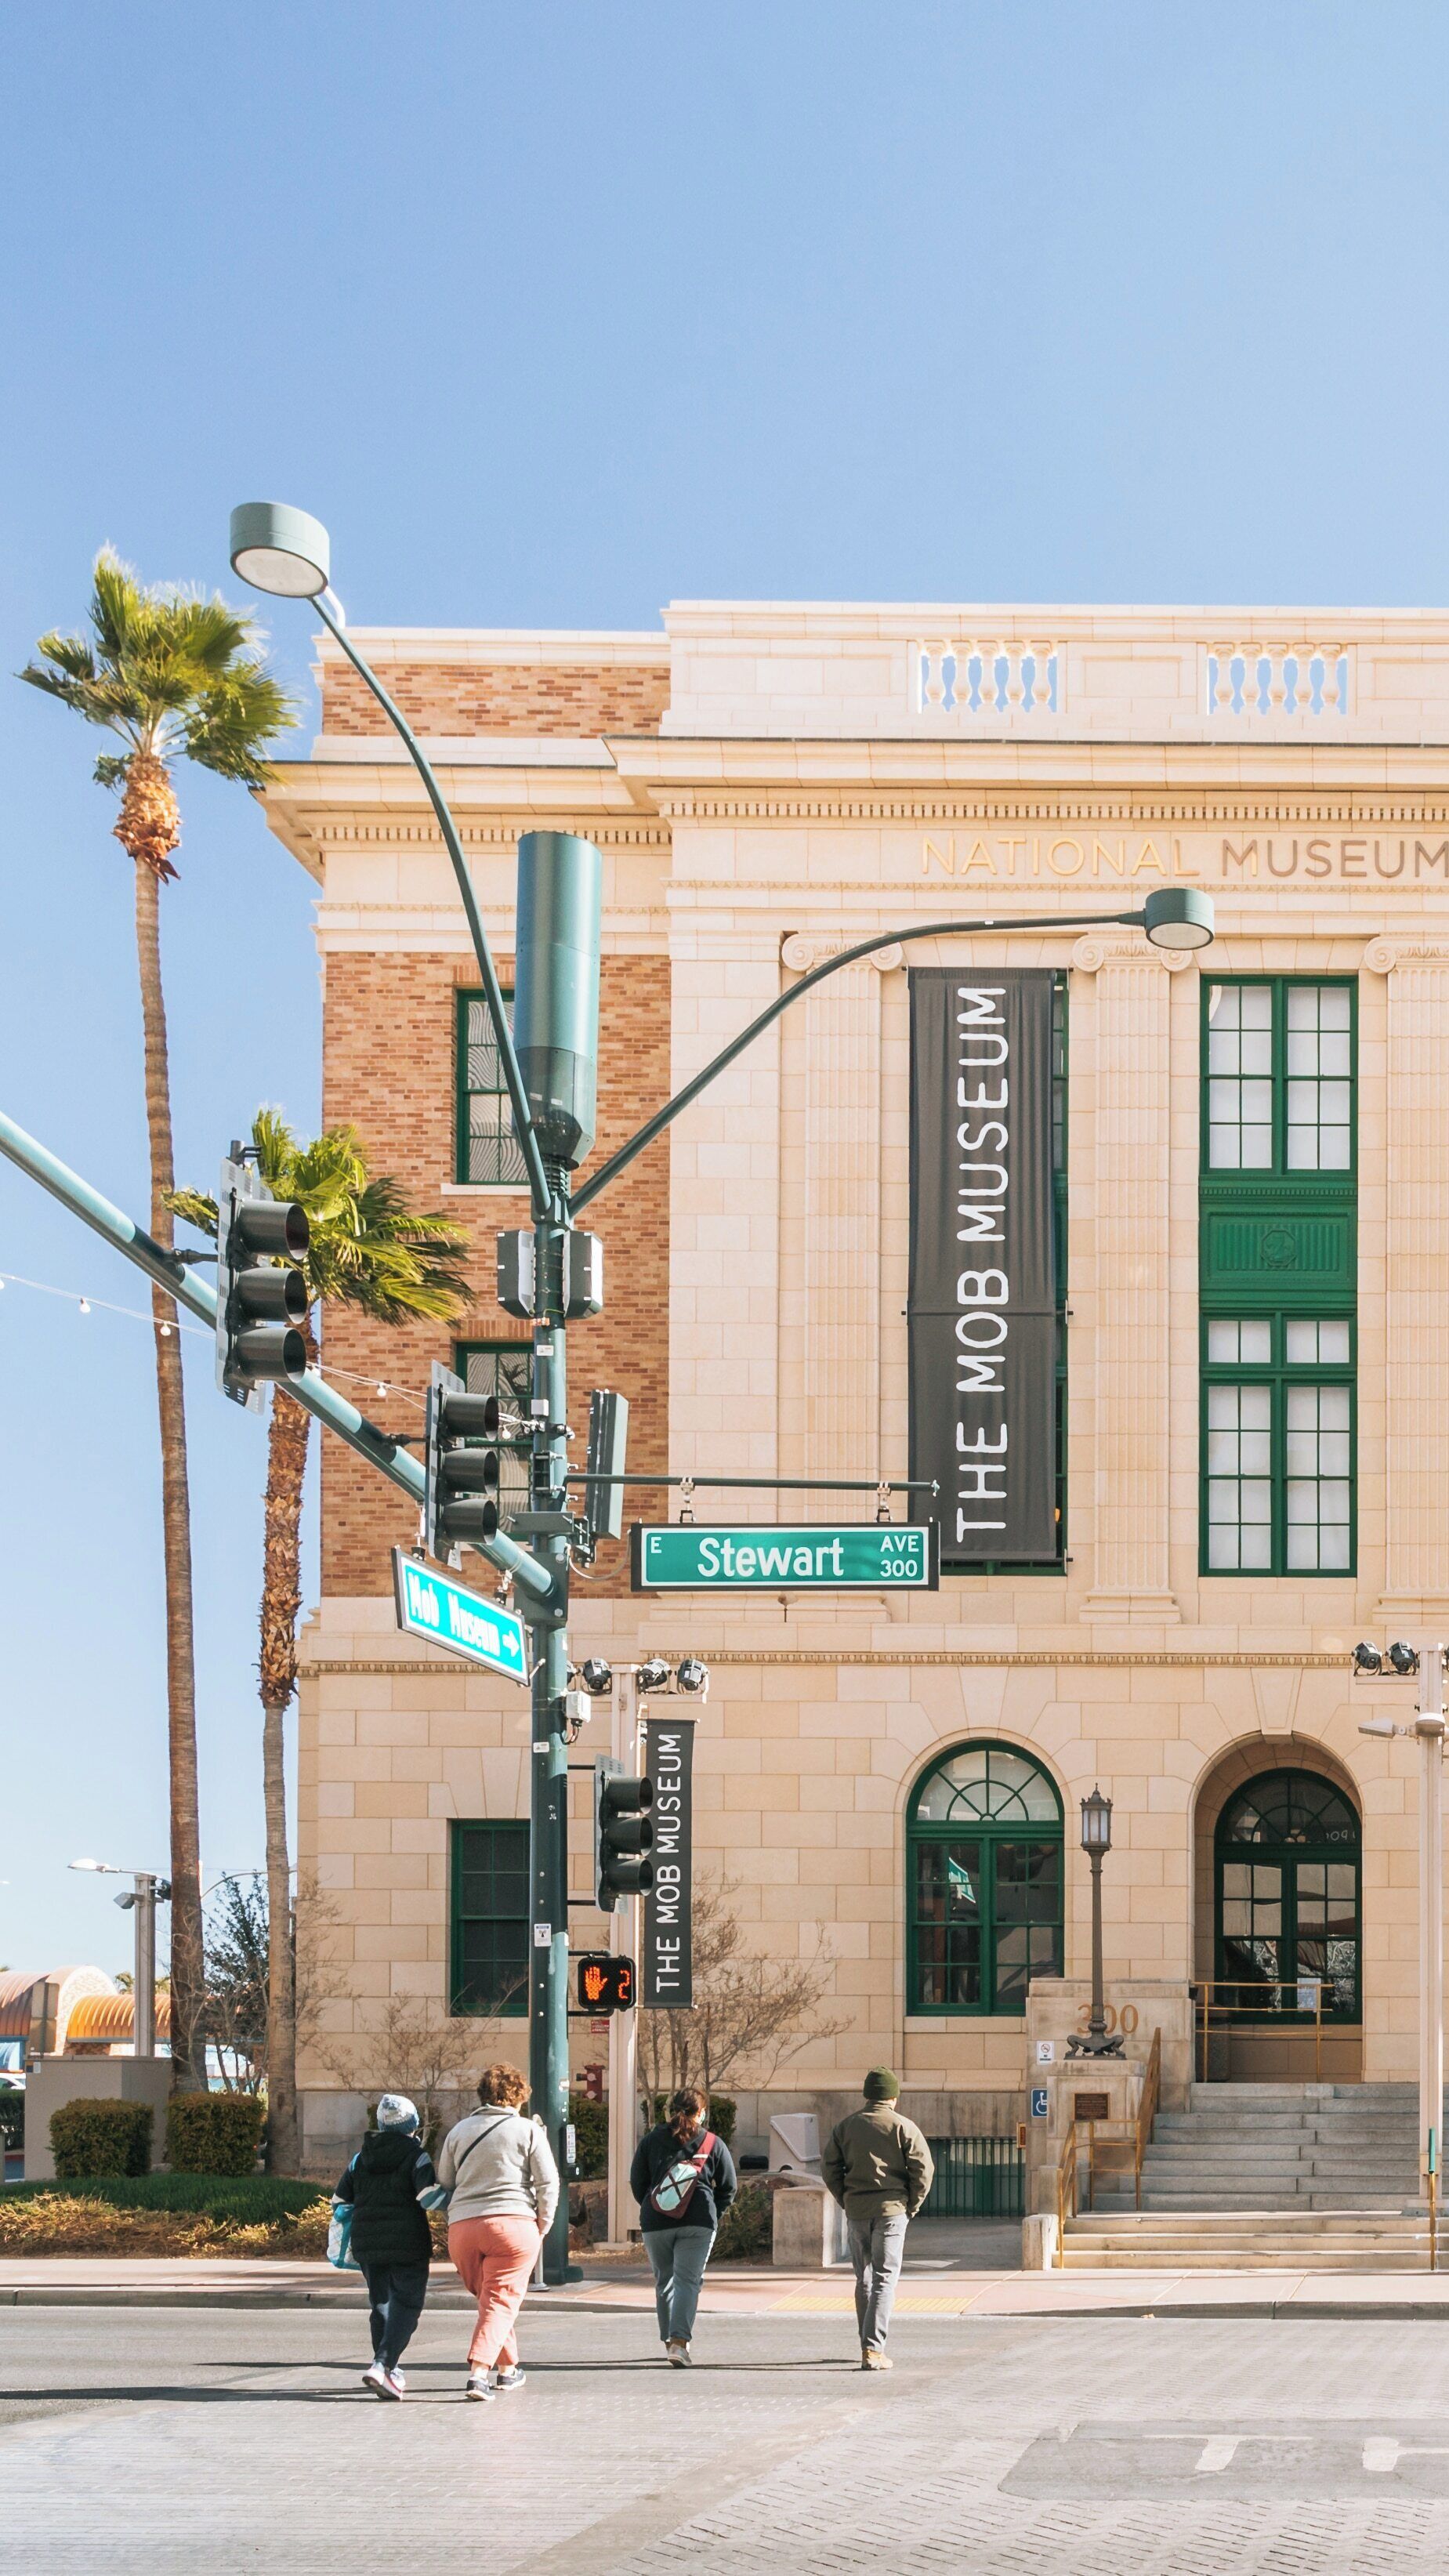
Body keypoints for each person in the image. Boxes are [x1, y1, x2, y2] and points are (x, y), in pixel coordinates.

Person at [437, 2063, 559, 2401]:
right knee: (500, 2302)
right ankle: (478, 2376)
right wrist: (543, 2225)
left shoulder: (459, 2131)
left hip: (463, 2227)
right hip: (513, 2225)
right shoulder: (527, 2130)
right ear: (518, 2097)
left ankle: (508, 2371)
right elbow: (548, 2182)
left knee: (493, 2302)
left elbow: (446, 2181)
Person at [823, 2068, 933, 2372]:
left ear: (867, 2095)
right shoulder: (904, 2126)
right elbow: (923, 2170)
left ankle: (867, 2344)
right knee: (886, 2278)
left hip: (856, 2210)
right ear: (893, 2097)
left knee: (865, 2279)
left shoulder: (845, 2127)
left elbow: (830, 2168)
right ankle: (873, 2349)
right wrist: (912, 2206)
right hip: (891, 2210)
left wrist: (844, 2198)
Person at [333, 2092, 438, 2400]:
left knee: (381, 2304)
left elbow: (339, 2201)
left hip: (367, 2243)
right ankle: (383, 2365)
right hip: (408, 2243)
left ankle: (389, 2372)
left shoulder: (360, 2158)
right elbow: (429, 2198)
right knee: (407, 2304)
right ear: (413, 2125)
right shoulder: (417, 2156)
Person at [631, 2086, 737, 2366]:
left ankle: (669, 2340)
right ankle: (679, 2343)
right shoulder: (713, 2143)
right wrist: (714, 2212)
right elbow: (729, 2187)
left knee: (664, 2281)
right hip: (698, 2221)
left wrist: (653, 2205)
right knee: (688, 2281)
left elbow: (637, 2181)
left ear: (670, 2110)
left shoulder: (651, 2141)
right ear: (701, 2113)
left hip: (656, 2222)